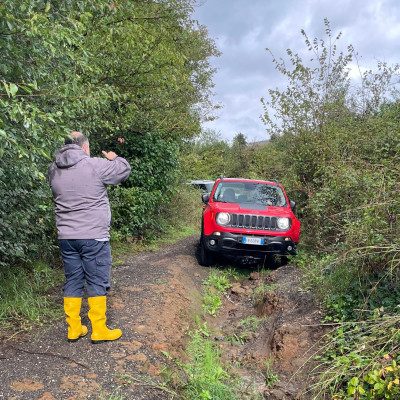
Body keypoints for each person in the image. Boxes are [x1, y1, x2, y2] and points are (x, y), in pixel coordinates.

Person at [48, 131, 131, 343]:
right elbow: (123, 171)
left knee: (73, 279)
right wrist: (114, 158)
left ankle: (74, 328)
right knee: (96, 279)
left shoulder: (53, 170)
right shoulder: (95, 165)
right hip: (93, 235)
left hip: (66, 237)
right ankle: (99, 329)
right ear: (85, 147)